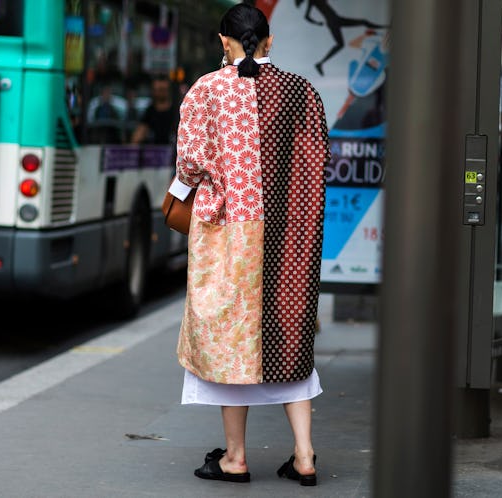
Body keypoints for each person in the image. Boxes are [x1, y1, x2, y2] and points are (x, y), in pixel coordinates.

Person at [170, 3, 329, 486]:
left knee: (230, 343)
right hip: (290, 237)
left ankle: (235, 457)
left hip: (230, 235)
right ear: (269, 40)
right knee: (288, 338)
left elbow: (189, 166)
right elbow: (318, 162)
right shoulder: (304, 92)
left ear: (224, 42)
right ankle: (304, 455)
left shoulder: (207, 90)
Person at [295, 0, 388, 76]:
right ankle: (320, 64)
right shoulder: (313, 1)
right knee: (341, 44)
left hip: (336, 20)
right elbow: (307, 17)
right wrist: (317, 23)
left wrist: (318, 23)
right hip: (333, 22)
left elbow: (307, 16)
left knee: (362, 23)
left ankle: (320, 64)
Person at [129, 75, 179, 145]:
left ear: (168, 90)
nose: (158, 93)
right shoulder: (149, 112)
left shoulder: (177, 112)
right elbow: (136, 138)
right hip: (153, 152)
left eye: (161, 90)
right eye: (155, 90)